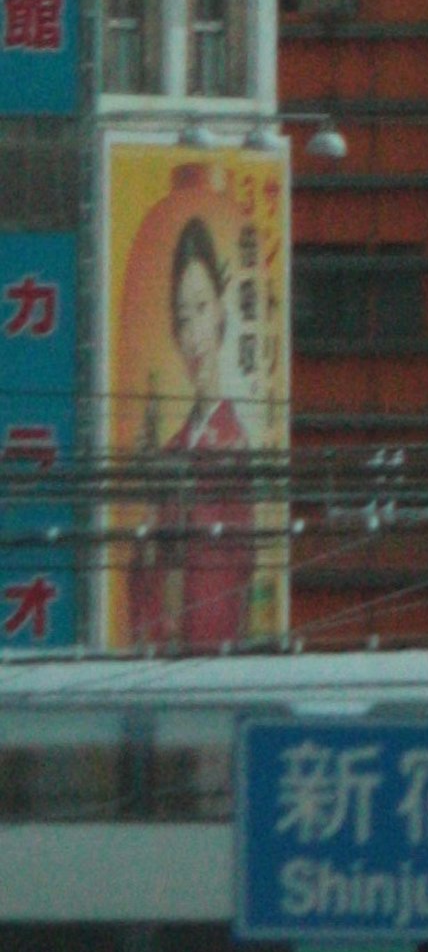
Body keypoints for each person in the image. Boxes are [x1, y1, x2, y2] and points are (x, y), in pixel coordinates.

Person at [126, 205, 257, 654]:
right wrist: (151, 502)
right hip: (163, 657)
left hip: (209, 650)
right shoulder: (171, 448)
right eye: (183, 319)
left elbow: (239, 562)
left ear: (222, 310)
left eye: (201, 308)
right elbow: (140, 575)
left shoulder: (238, 442)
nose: (194, 333)